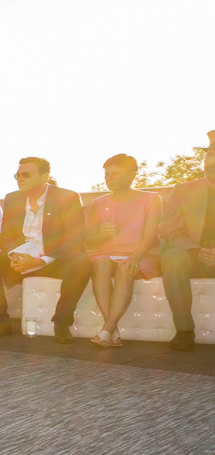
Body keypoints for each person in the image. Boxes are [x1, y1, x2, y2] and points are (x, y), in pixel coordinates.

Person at [0, 157, 88, 343]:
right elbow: (5, 236)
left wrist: (41, 260)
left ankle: (62, 323)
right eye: (17, 175)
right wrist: (15, 254)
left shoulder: (67, 198)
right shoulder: (13, 198)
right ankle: (1, 322)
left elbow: (75, 238)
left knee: (80, 261)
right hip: (21, 258)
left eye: (26, 174)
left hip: (53, 260)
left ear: (45, 177)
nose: (20, 178)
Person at [86, 154, 162, 348]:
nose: (108, 178)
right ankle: (111, 330)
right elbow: (89, 240)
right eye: (106, 174)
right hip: (106, 254)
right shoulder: (98, 203)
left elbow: (150, 236)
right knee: (99, 262)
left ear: (131, 176)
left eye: (114, 174)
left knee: (125, 268)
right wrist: (101, 235)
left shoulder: (151, 199)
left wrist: (134, 257)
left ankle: (107, 328)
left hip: (141, 254)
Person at [158, 145, 215, 351]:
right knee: (173, 257)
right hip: (192, 257)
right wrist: (197, 251)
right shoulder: (182, 190)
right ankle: (184, 329)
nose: (211, 160)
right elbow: (173, 232)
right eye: (209, 155)